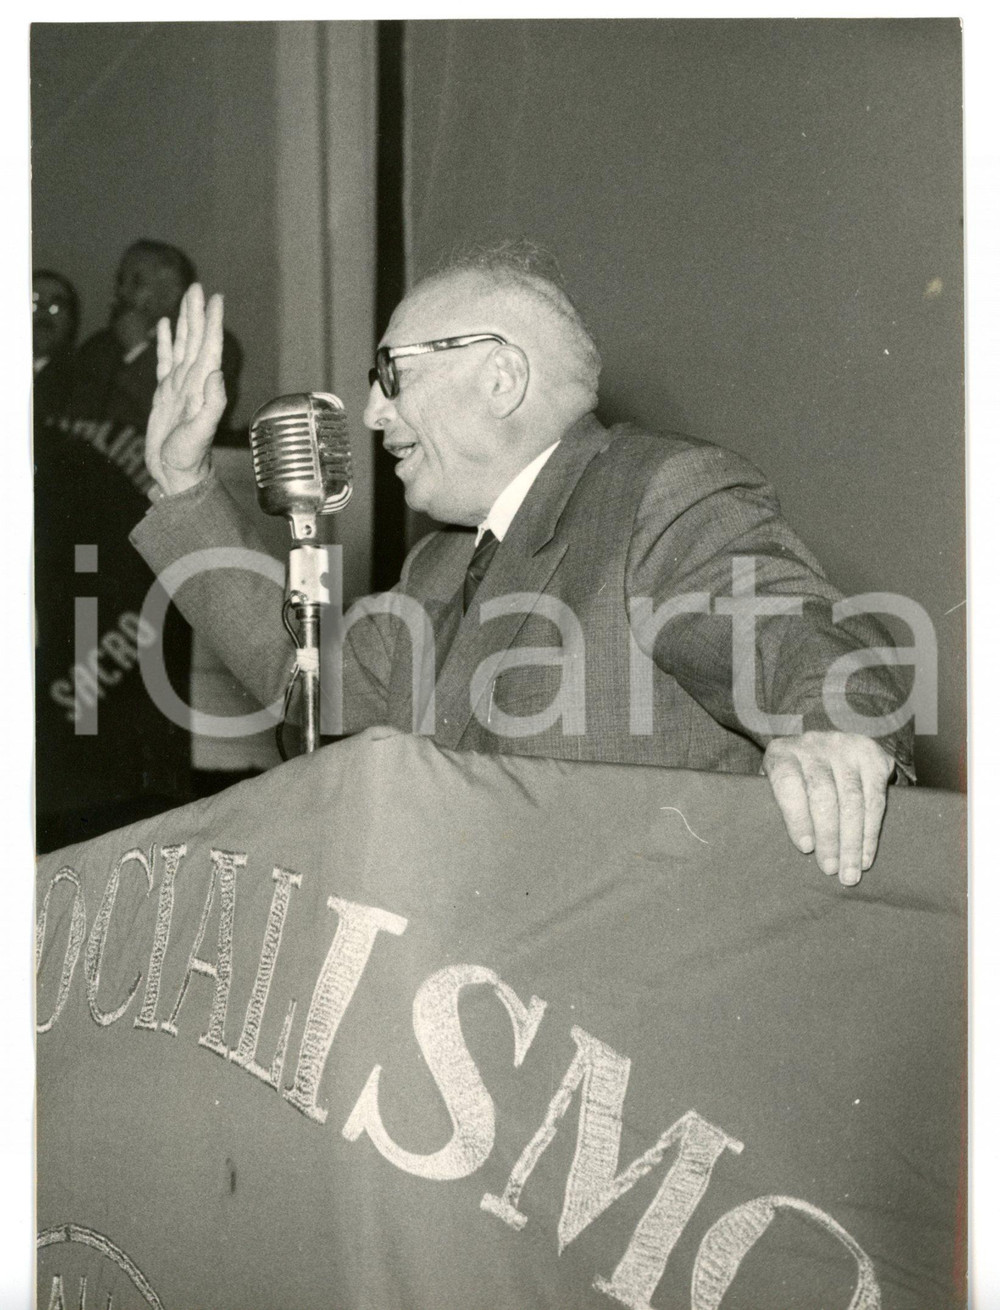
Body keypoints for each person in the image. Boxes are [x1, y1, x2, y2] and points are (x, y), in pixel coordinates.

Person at [131, 247, 913, 887]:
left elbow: (786, 625)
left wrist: (832, 728)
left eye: (392, 375)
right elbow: (305, 681)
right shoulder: (439, 569)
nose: (370, 412)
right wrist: (183, 482)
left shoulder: (651, 491)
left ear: (501, 378)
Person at [32, 269, 79, 423]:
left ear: (71, 321)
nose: (44, 313)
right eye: (34, 303)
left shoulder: (81, 384)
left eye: (56, 306)